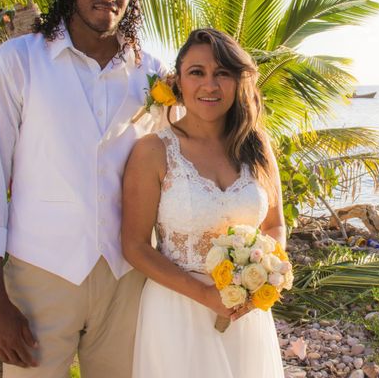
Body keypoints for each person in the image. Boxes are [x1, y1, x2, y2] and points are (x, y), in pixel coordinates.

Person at [0, 0, 166, 378]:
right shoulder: (19, 60)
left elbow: (170, 170)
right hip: (41, 273)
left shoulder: (154, 74)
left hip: (129, 277)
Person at [122, 28, 286, 377]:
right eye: (197, 72)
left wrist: (263, 279)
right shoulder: (153, 151)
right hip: (175, 312)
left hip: (246, 313)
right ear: (179, 81)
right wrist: (206, 295)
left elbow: (275, 224)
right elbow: (135, 246)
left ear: (238, 81)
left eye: (222, 73)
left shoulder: (257, 146)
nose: (210, 85)